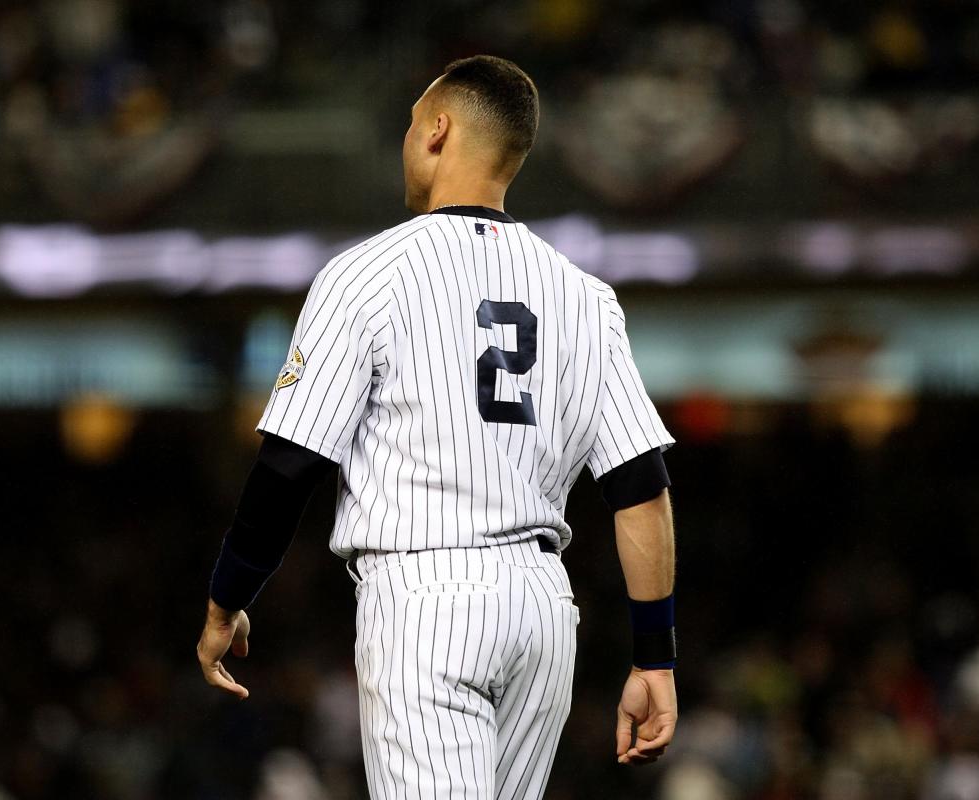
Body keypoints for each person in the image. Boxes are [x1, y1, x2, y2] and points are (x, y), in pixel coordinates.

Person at [196, 55, 679, 798]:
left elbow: (290, 465)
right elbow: (641, 487)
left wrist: (229, 596)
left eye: (410, 124)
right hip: (544, 609)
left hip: (425, 595)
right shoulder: (587, 298)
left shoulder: (367, 273)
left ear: (438, 131)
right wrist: (655, 659)